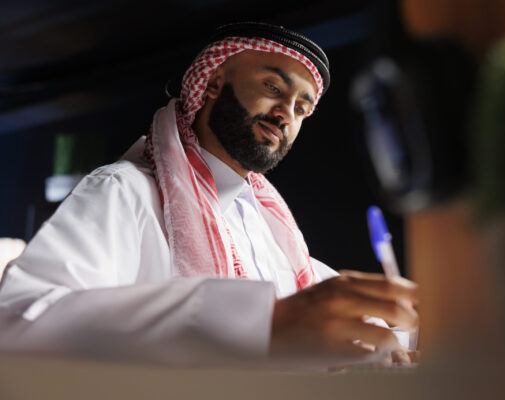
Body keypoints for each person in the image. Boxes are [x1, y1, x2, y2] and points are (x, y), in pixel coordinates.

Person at [0, 22, 418, 368]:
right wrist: (256, 324)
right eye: (274, 87)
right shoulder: (125, 191)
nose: (285, 113)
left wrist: (397, 341)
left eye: (301, 108)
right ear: (214, 82)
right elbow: (18, 324)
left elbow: (354, 318)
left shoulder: (274, 237)